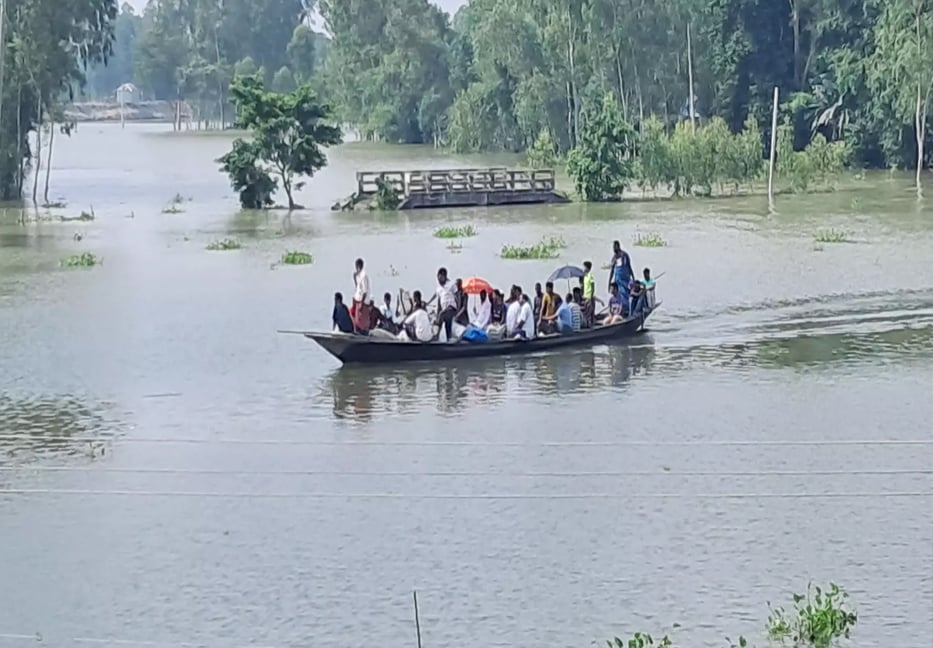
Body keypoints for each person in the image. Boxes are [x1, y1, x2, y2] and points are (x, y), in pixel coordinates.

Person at [426, 267, 457, 341]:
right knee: (447, 325)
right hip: (444, 308)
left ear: (445, 276)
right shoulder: (439, 288)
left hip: (451, 308)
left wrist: (458, 309)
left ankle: (436, 336)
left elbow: (457, 295)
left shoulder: (451, 284)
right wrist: (428, 303)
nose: (439, 280)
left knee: (441, 315)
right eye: (438, 278)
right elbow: (435, 296)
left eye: (440, 278)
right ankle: (448, 340)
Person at [351, 258, 370, 323]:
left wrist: (362, 303)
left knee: (360, 321)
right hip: (357, 300)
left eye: (356, 267)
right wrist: (354, 278)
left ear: (358, 266)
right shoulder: (358, 276)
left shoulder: (364, 276)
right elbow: (357, 287)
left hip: (362, 301)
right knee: (355, 317)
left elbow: (365, 291)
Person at [581, 261, 596, 327]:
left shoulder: (590, 276)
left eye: (584, 267)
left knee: (591, 311)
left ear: (588, 268)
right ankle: (587, 323)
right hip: (585, 296)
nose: (583, 268)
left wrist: (591, 296)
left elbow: (592, 286)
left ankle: (592, 324)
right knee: (586, 312)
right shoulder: (584, 277)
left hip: (589, 297)